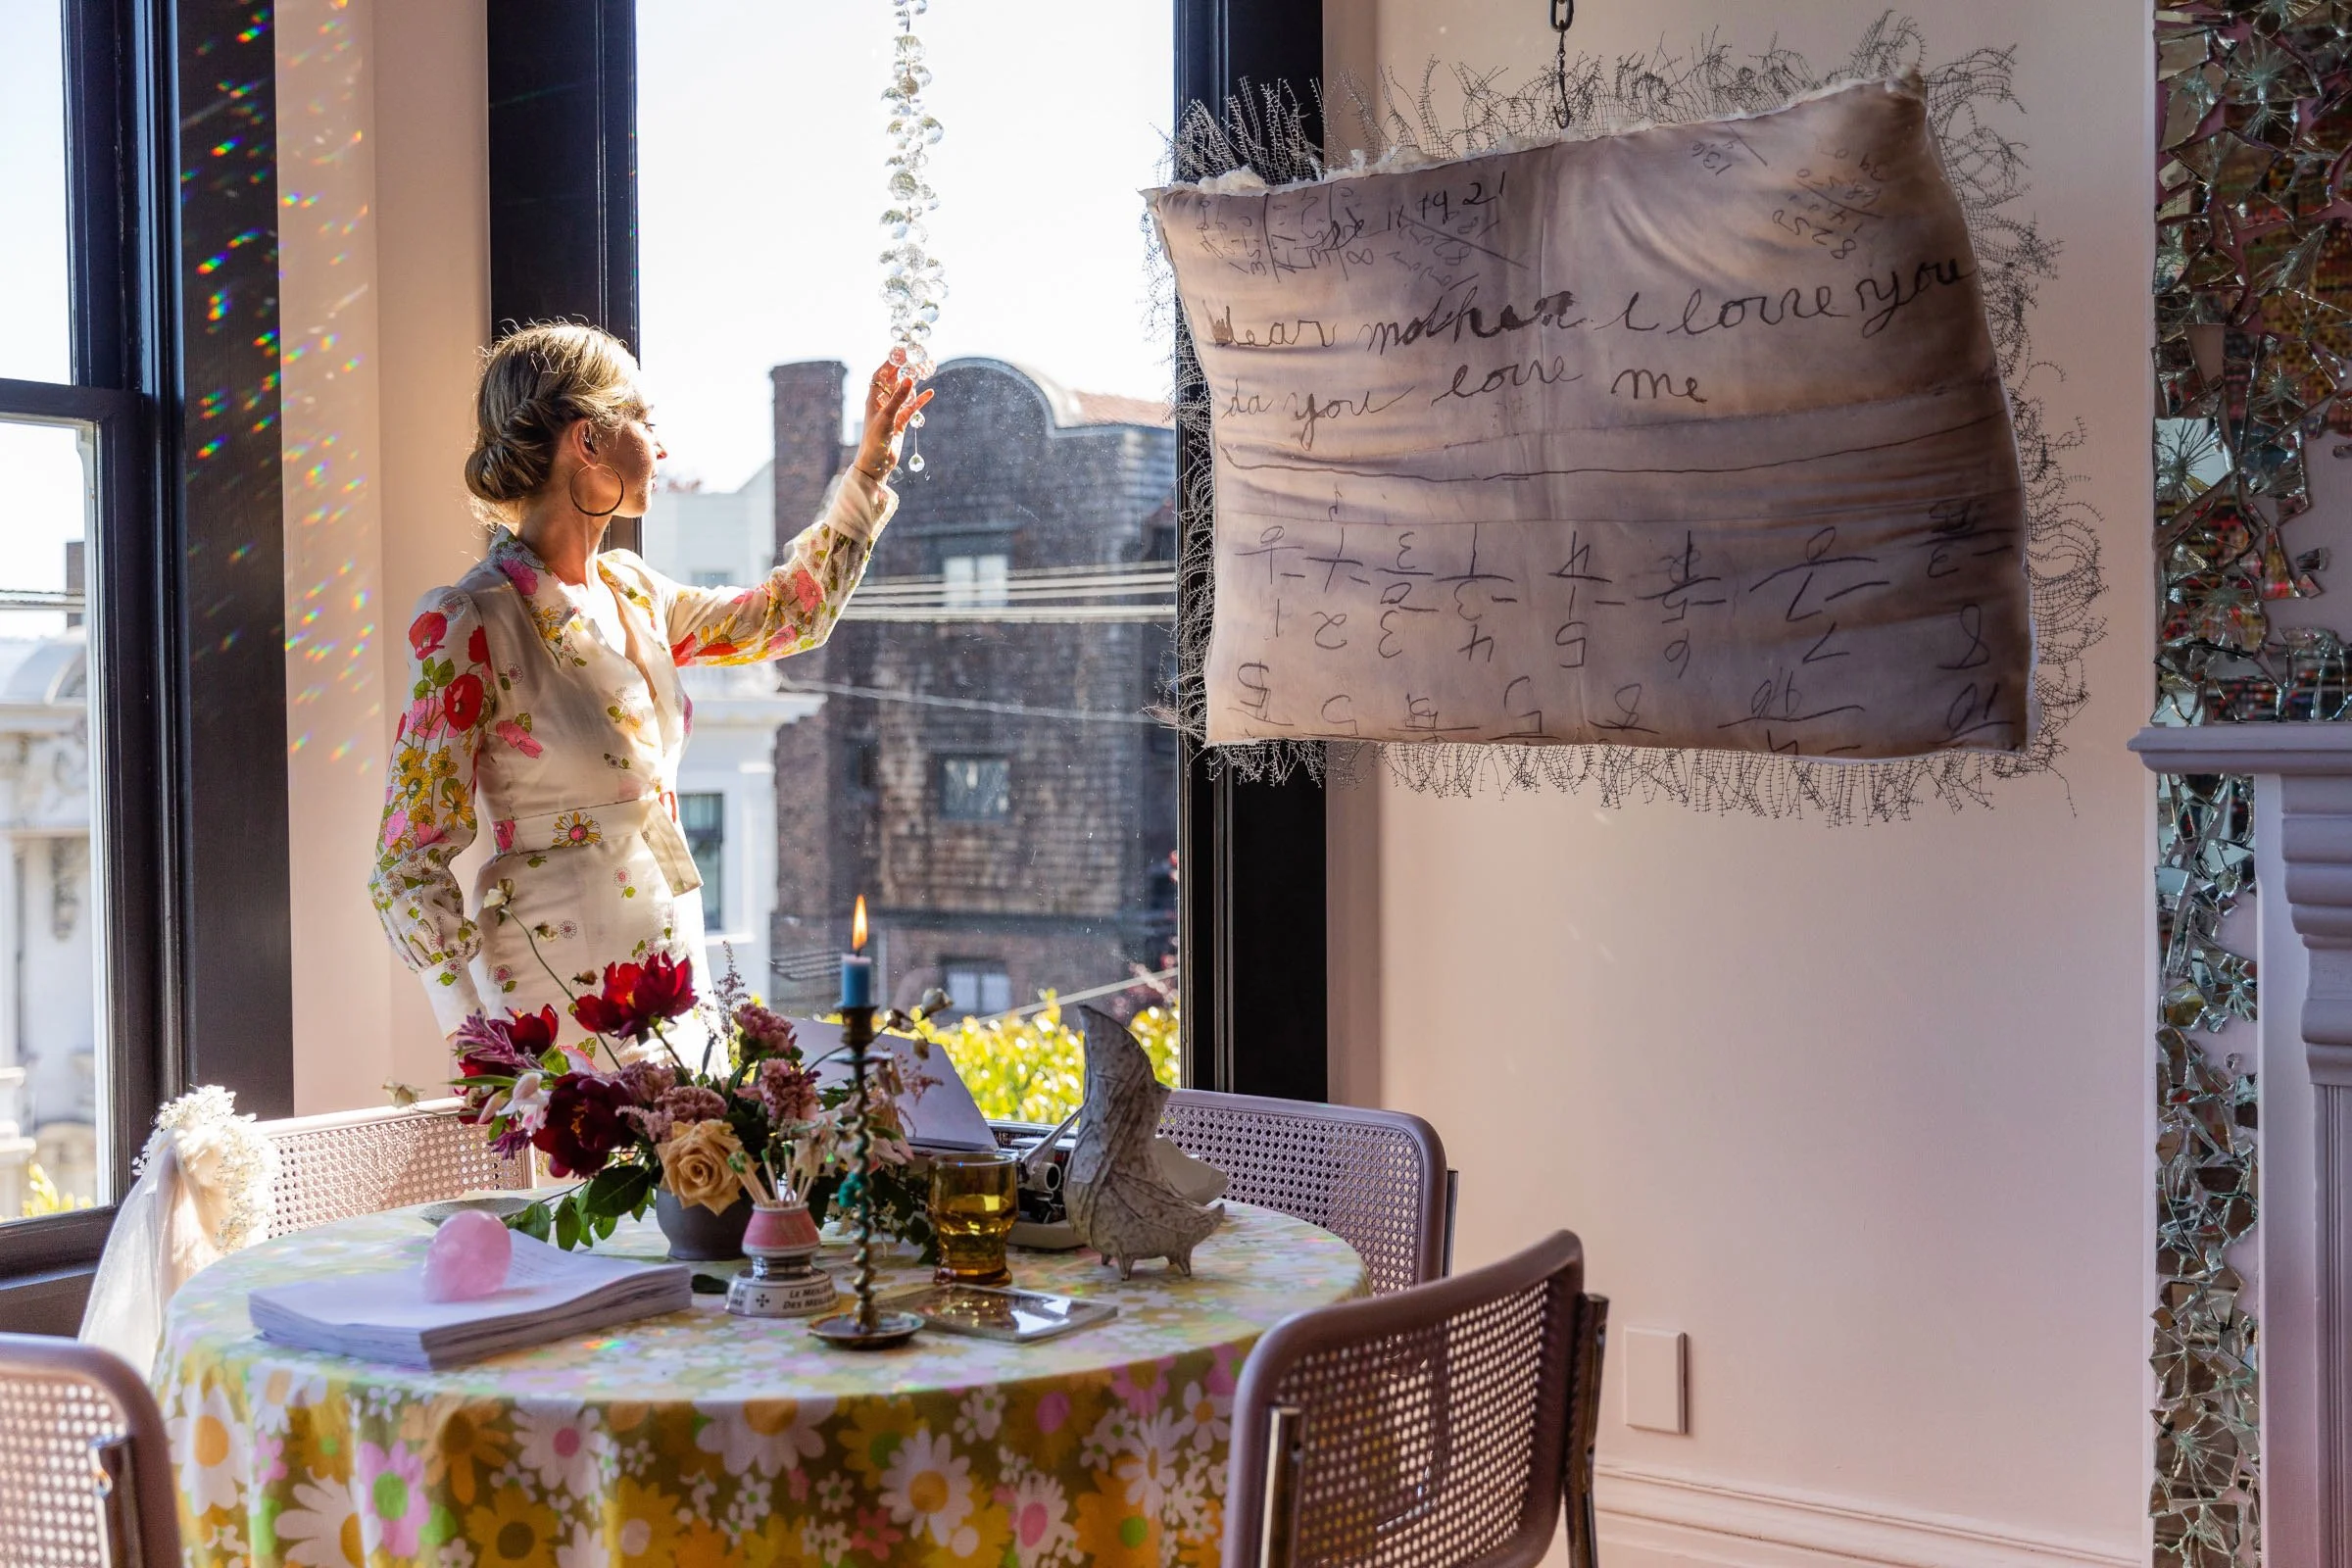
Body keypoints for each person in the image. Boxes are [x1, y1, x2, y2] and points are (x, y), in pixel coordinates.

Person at [368, 322, 929, 1046]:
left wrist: (869, 472)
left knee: (695, 1152)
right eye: (644, 419)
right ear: (588, 439)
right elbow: (403, 863)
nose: (660, 447)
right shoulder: (470, 620)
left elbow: (793, 615)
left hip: (668, 958)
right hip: (548, 991)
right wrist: (481, 1044)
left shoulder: (636, 593)